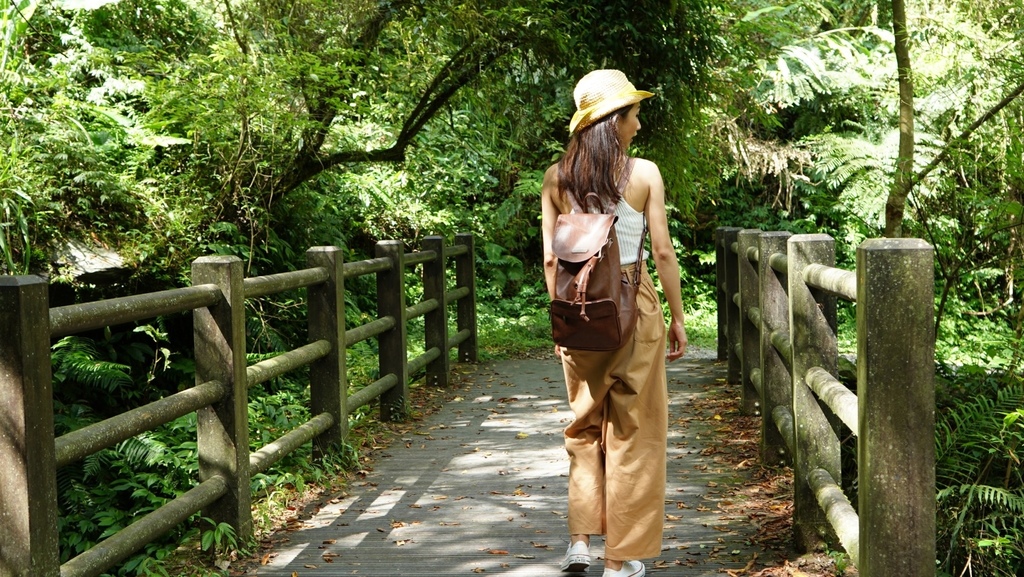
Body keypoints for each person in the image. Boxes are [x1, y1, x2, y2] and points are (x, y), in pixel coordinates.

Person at [541, 69, 688, 577]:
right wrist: (677, 318)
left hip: (579, 311)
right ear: (612, 121)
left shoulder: (557, 177)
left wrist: (563, 323)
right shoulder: (643, 174)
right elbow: (663, 253)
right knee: (635, 430)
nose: (639, 124)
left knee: (582, 425)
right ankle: (619, 560)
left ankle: (579, 544)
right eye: (633, 114)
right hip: (633, 304)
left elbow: (549, 261)